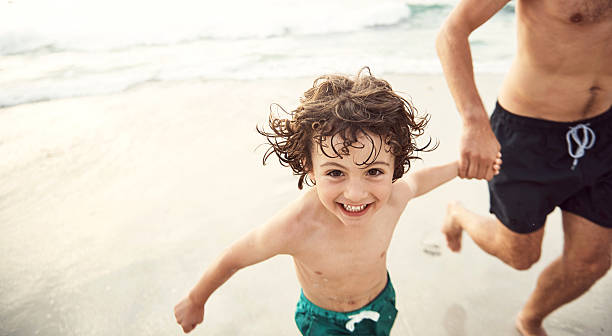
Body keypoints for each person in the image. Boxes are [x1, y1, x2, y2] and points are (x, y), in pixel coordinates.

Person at [173, 68, 500, 335]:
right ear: (309, 167)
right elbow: (234, 257)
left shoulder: (393, 198)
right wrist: (196, 299)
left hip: (381, 303)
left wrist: (461, 167)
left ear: (394, 166)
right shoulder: (295, 226)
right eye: (335, 173)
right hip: (323, 322)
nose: (355, 194)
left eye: (373, 171)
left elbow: (419, 181)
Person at [436, 1, 612, 335]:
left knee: (591, 263)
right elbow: (452, 31)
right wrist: (474, 121)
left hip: (603, 132)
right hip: (529, 135)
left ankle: (530, 317)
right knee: (519, 255)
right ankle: (457, 214)